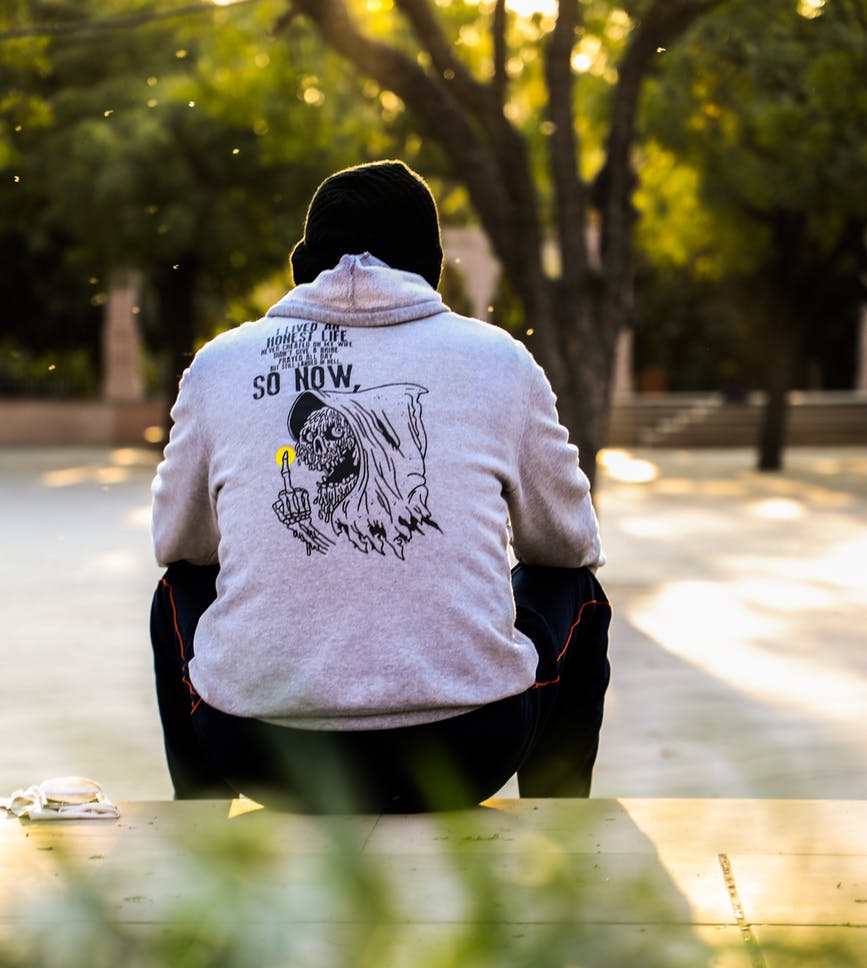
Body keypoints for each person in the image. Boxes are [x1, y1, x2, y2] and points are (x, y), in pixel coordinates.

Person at [150, 159, 611, 813]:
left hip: (267, 756)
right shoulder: (500, 362)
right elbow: (566, 546)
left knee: (176, 591)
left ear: (303, 264)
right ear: (430, 267)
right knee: (573, 590)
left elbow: (178, 542)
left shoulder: (220, 365)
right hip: (465, 752)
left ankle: (197, 832)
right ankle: (561, 830)